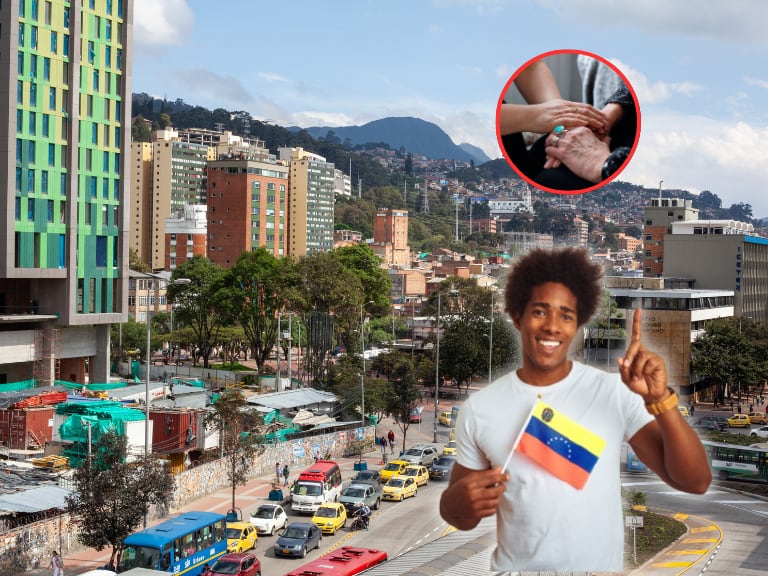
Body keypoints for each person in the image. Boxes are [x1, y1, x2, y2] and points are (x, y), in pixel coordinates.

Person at [439, 247, 711, 573]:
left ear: (577, 325)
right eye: (540, 311)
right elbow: (459, 515)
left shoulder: (613, 393)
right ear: (518, 317)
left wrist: (661, 400)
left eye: (566, 315)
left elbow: (695, 481)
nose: (553, 326)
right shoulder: (481, 408)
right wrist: (456, 503)